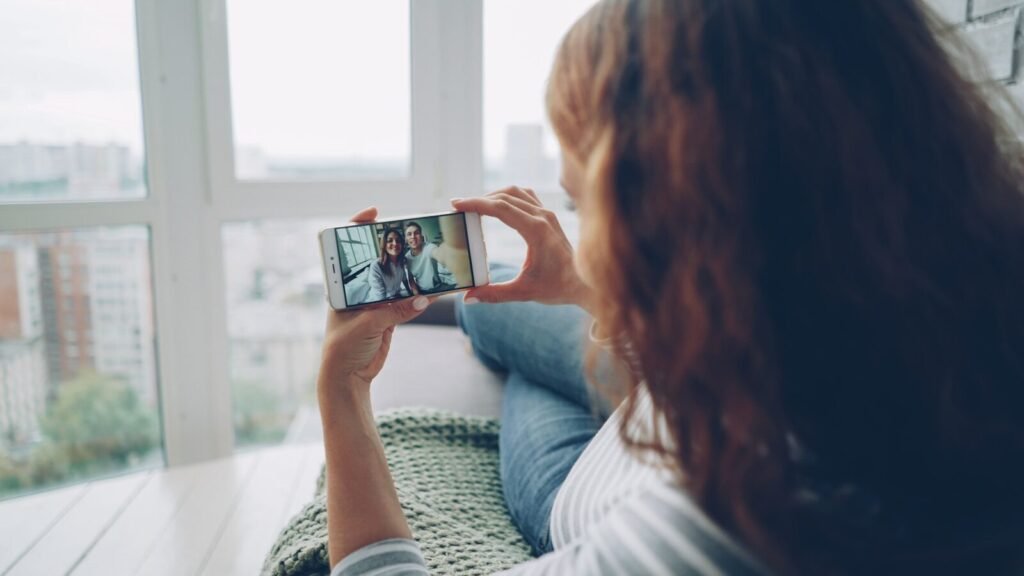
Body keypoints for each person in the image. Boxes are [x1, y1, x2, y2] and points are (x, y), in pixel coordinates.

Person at [316, 1, 1024, 575]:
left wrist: (342, 393)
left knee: (498, 329)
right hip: (684, 397)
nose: (589, 236)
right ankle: (484, 320)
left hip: (587, 484)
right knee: (501, 299)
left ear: (688, 217)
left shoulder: (734, 526)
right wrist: (586, 291)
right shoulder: (932, 300)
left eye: (590, 206)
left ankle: (475, 327)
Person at [365, 228, 414, 304]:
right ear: (384, 245)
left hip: (396, 296)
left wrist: (410, 295)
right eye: (390, 240)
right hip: (378, 302)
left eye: (398, 241)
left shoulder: (402, 261)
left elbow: (404, 280)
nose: (395, 243)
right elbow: (380, 296)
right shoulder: (376, 265)